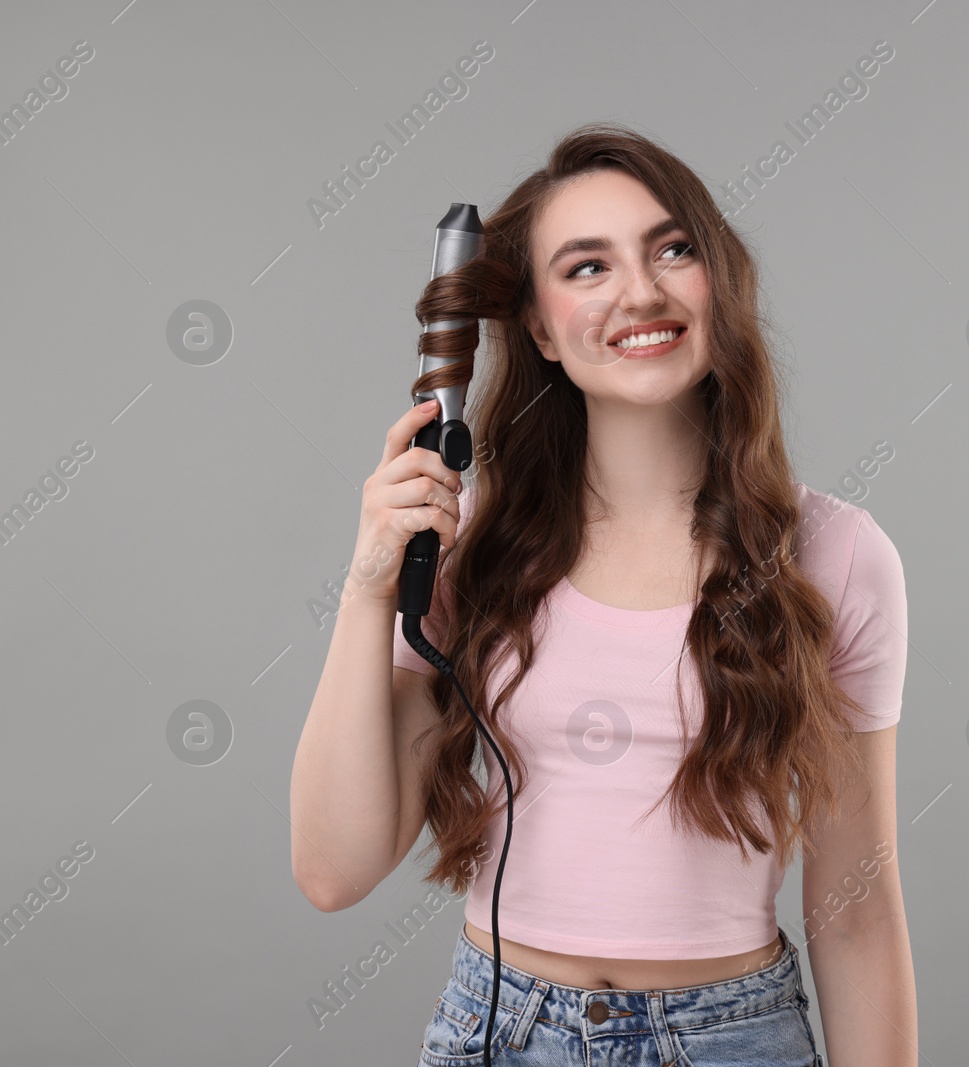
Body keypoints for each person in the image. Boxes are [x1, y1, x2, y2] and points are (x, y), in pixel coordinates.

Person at [288, 122, 916, 1066]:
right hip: (501, 1031)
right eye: (586, 267)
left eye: (673, 248)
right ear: (538, 324)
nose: (640, 290)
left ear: (721, 281)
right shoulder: (476, 554)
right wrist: (371, 586)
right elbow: (333, 869)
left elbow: (857, 906)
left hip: (733, 1039)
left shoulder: (833, 556)